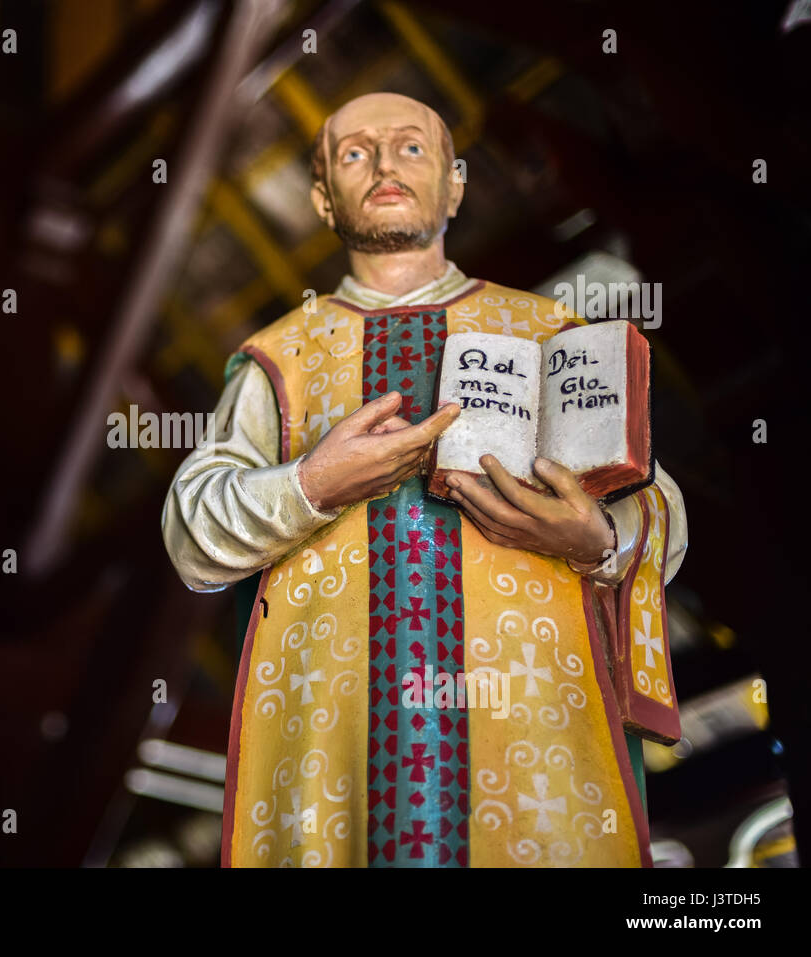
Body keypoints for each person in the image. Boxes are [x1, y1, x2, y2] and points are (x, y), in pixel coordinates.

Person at [161, 93, 687, 867]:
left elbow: (657, 505)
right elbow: (191, 532)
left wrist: (597, 538)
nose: (382, 166)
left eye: (410, 148)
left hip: (525, 716)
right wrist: (311, 484)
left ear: (455, 184)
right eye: (353, 153)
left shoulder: (552, 332)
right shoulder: (280, 358)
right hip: (337, 732)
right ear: (320, 199)